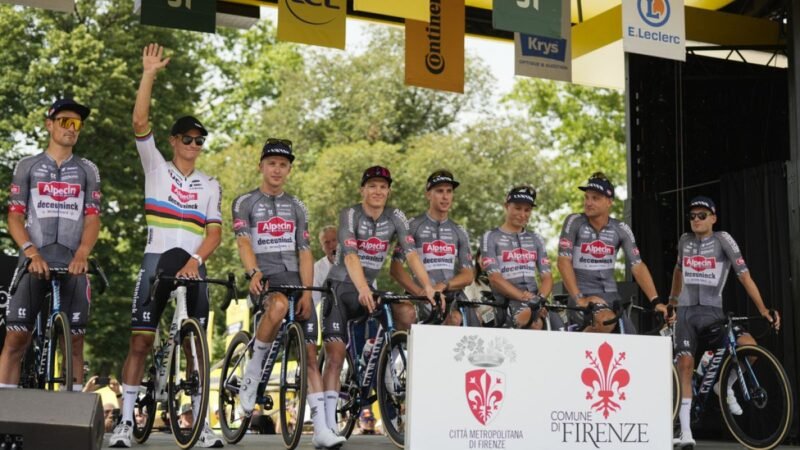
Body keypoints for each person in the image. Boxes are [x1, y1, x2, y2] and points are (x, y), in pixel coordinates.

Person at [110, 43, 223, 448]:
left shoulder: (210, 184)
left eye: (201, 140)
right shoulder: (156, 167)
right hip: (157, 259)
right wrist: (149, 74)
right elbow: (140, 120)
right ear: (175, 140)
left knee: (195, 345)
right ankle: (123, 422)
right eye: (189, 138)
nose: (194, 145)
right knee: (140, 340)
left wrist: (196, 260)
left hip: (193, 262)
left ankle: (202, 423)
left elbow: (214, 233)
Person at [231, 138, 336, 447]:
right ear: (261, 166)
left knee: (310, 355)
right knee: (275, 307)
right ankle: (252, 372)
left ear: (289, 169)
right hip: (264, 278)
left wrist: (305, 292)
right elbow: (243, 241)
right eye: (272, 163)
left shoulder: (297, 206)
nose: (277, 169)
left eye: (283, 165)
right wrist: (253, 272)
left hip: (295, 279)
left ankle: (321, 430)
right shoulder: (244, 202)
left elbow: (305, 251)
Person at [321, 166, 436, 443]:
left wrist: (428, 287)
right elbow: (349, 256)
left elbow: (410, 254)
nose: (377, 191)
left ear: (388, 191)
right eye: (372, 186)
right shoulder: (351, 214)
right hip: (341, 288)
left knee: (406, 312)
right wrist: (362, 288)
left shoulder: (395, 216)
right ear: (363, 190)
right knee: (335, 355)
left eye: (383, 187)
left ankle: (387, 371)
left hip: (367, 288)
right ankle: (326, 425)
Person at [0, 98, 100, 392]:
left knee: (76, 341)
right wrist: (31, 253)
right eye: (64, 122)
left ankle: (71, 418)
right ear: (49, 125)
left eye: (77, 124)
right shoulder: (27, 165)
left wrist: (83, 253)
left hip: (72, 260)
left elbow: (92, 218)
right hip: (34, 258)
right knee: (16, 339)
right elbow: (15, 217)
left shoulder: (88, 170)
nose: (71, 128)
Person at [669, 196, 780, 448]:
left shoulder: (723, 240)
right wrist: (672, 302)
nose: (696, 219)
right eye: (692, 216)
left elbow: (744, 276)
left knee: (750, 346)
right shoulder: (684, 241)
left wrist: (763, 309)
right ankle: (685, 433)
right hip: (686, 313)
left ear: (713, 218)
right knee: (685, 363)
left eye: (702, 215)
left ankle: (724, 384)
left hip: (712, 314)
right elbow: (677, 272)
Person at [557, 172, 669, 333]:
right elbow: (563, 261)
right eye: (586, 197)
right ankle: (578, 349)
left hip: (612, 298)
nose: (588, 202)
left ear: (609, 202)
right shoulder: (574, 221)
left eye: (595, 198)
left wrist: (656, 301)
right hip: (582, 296)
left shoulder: (620, 228)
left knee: (632, 342)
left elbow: (637, 266)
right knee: (605, 320)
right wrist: (578, 298)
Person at [390, 169, 475, 326]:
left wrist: (443, 286)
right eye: (439, 191)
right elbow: (395, 268)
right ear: (428, 194)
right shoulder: (412, 225)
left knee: (469, 319)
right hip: (421, 296)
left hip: (452, 297)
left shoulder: (459, 230)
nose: (445, 196)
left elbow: (468, 275)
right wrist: (421, 292)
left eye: (449, 191)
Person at [480, 186, 563, 330]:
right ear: (506, 207)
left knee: (563, 328)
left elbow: (547, 278)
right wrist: (526, 299)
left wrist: (539, 300)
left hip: (536, 300)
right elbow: (495, 278)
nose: (522, 214)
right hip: (507, 301)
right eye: (518, 208)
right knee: (535, 324)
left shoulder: (536, 238)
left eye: (527, 210)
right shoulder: (491, 237)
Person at [312, 226, 338, 310]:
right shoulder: (317, 268)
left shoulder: (355, 262)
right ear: (322, 247)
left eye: (334, 240)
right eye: (327, 242)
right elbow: (315, 299)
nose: (331, 245)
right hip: (329, 312)